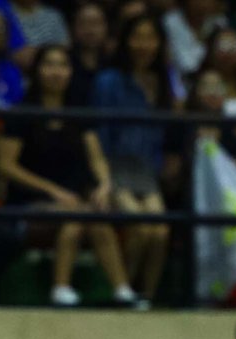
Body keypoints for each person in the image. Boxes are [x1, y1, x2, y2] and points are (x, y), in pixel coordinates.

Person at [0, 46, 146, 308]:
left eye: (63, 65)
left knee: (94, 218)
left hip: (74, 199)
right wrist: (52, 191)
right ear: (37, 71)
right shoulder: (21, 113)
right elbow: (6, 166)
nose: (56, 72)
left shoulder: (78, 113)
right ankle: (61, 288)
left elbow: (96, 158)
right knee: (77, 215)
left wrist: (104, 184)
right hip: (30, 201)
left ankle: (122, 291)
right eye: (49, 64)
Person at [91, 15, 179, 304]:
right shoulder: (108, 81)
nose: (144, 45)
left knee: (160, 232)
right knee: (139, 227)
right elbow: (99, 133)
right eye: (137, 37)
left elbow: (168, 131)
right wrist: (103, 178)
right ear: (126, 42)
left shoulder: (164, 82)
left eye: (150, 38)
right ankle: (124, 293)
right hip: (116, 165)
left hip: (146, 170)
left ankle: (146, 298)